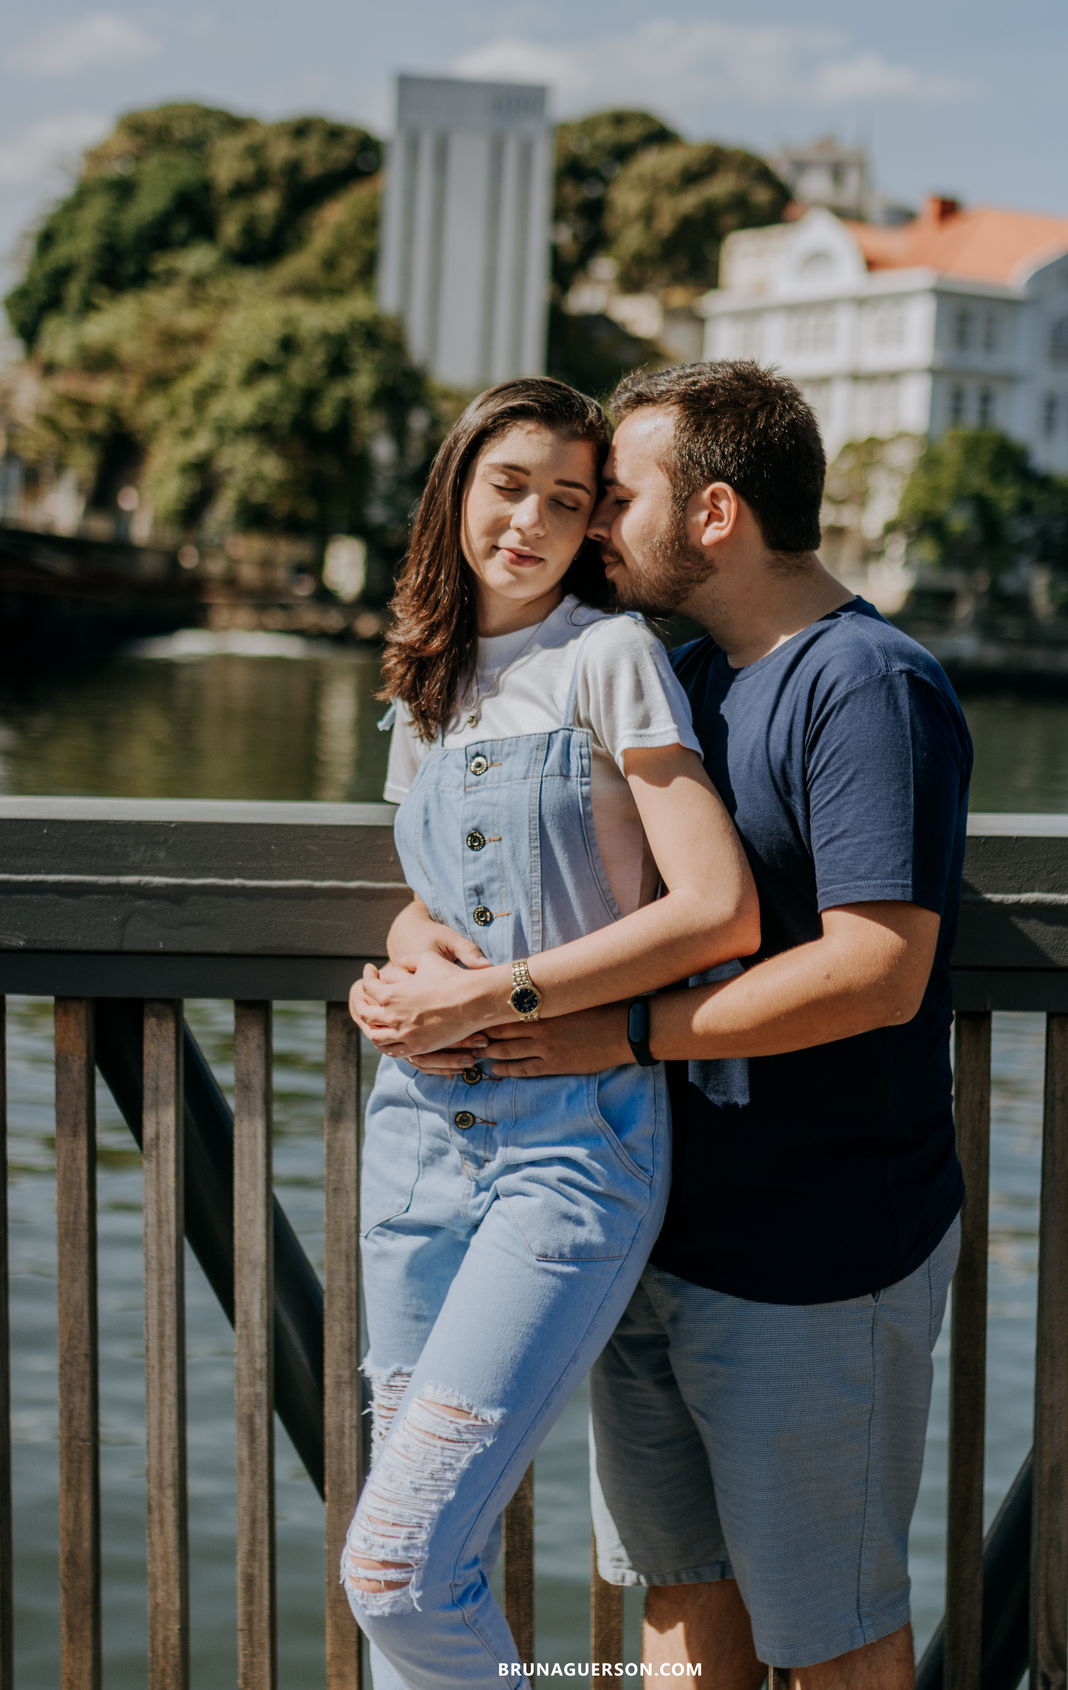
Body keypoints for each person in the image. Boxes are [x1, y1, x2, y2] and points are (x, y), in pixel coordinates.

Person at [428, 361, 974, 1690]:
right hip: (655, 1226)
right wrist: (417, 947)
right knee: (680, 1604)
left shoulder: (866, 684)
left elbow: (878, 969)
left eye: (615, 496)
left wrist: (618, 1038)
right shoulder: (670, 675)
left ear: (716, 512)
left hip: (819, 1255)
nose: (589, 525)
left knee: (836, 1634)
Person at [343, 376, 759, 1690]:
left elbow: (717, 906)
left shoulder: (608, 658)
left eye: (567, 501)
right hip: (414, 1146)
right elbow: (434, 888)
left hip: (568, 1155)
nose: (528, 518)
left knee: (395, 1565)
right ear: (458, 486)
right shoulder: (427, 675)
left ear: (593, 531)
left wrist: (496, 996)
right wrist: (411, 960)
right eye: (507, 485)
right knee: (422, 1571)